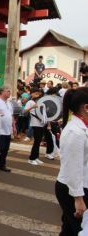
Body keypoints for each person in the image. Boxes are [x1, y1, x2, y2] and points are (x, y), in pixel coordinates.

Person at [55, 87, 88, 236]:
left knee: (69, 229)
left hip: (81, 185)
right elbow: (72, 167)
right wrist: (78, 198)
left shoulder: (82, 127)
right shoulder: (74, 132)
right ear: (86, 108)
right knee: (81, 230)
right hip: (72, 189)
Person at [24, 87, 53, 165]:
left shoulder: (41, 101)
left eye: (38, 92)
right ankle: (31, 158)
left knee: (38, 141)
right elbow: (24, 112)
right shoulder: (30, 102)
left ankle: (36, 157)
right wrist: (33, 107)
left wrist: (48, 123)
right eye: (35, 92)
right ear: (31, 94)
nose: (37, 94)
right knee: (36, 141)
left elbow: (45, 114)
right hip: (35, 124)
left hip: (42, 124)